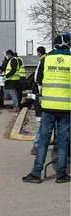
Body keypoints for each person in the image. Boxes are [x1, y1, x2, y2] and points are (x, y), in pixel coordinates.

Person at [22, 34, 70, 184]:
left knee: (43, 139)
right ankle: (61, 174)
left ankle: (36, 173)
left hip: (48, 106)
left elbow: (37, 79)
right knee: (63, 140)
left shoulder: (46, 59)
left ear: (55, 45)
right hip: (66, 108)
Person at [30, 46, 47, 155]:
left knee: (44, 123)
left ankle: (37, 145)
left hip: (47, 97)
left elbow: (38, 78)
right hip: (65, 102)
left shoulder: (46, 61)